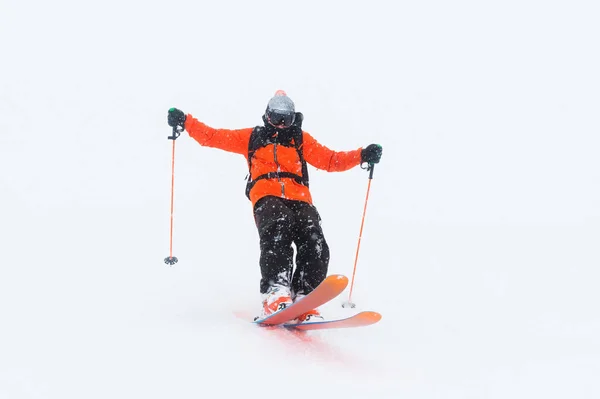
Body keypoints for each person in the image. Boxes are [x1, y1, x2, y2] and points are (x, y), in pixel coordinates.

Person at [167, 90, 382, 323]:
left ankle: (306, 296)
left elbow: (331, 160)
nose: (280, 125)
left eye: (286, 120)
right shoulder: (252, 137)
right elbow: (212, 136)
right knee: (279, 226)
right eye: (276, 119)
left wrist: (361, 155)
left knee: (314, 238)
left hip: (299, 197)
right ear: (267, 116)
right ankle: (275, 292)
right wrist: (186, 121)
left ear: (293, 119)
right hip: (266, 195)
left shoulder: (300, 139)